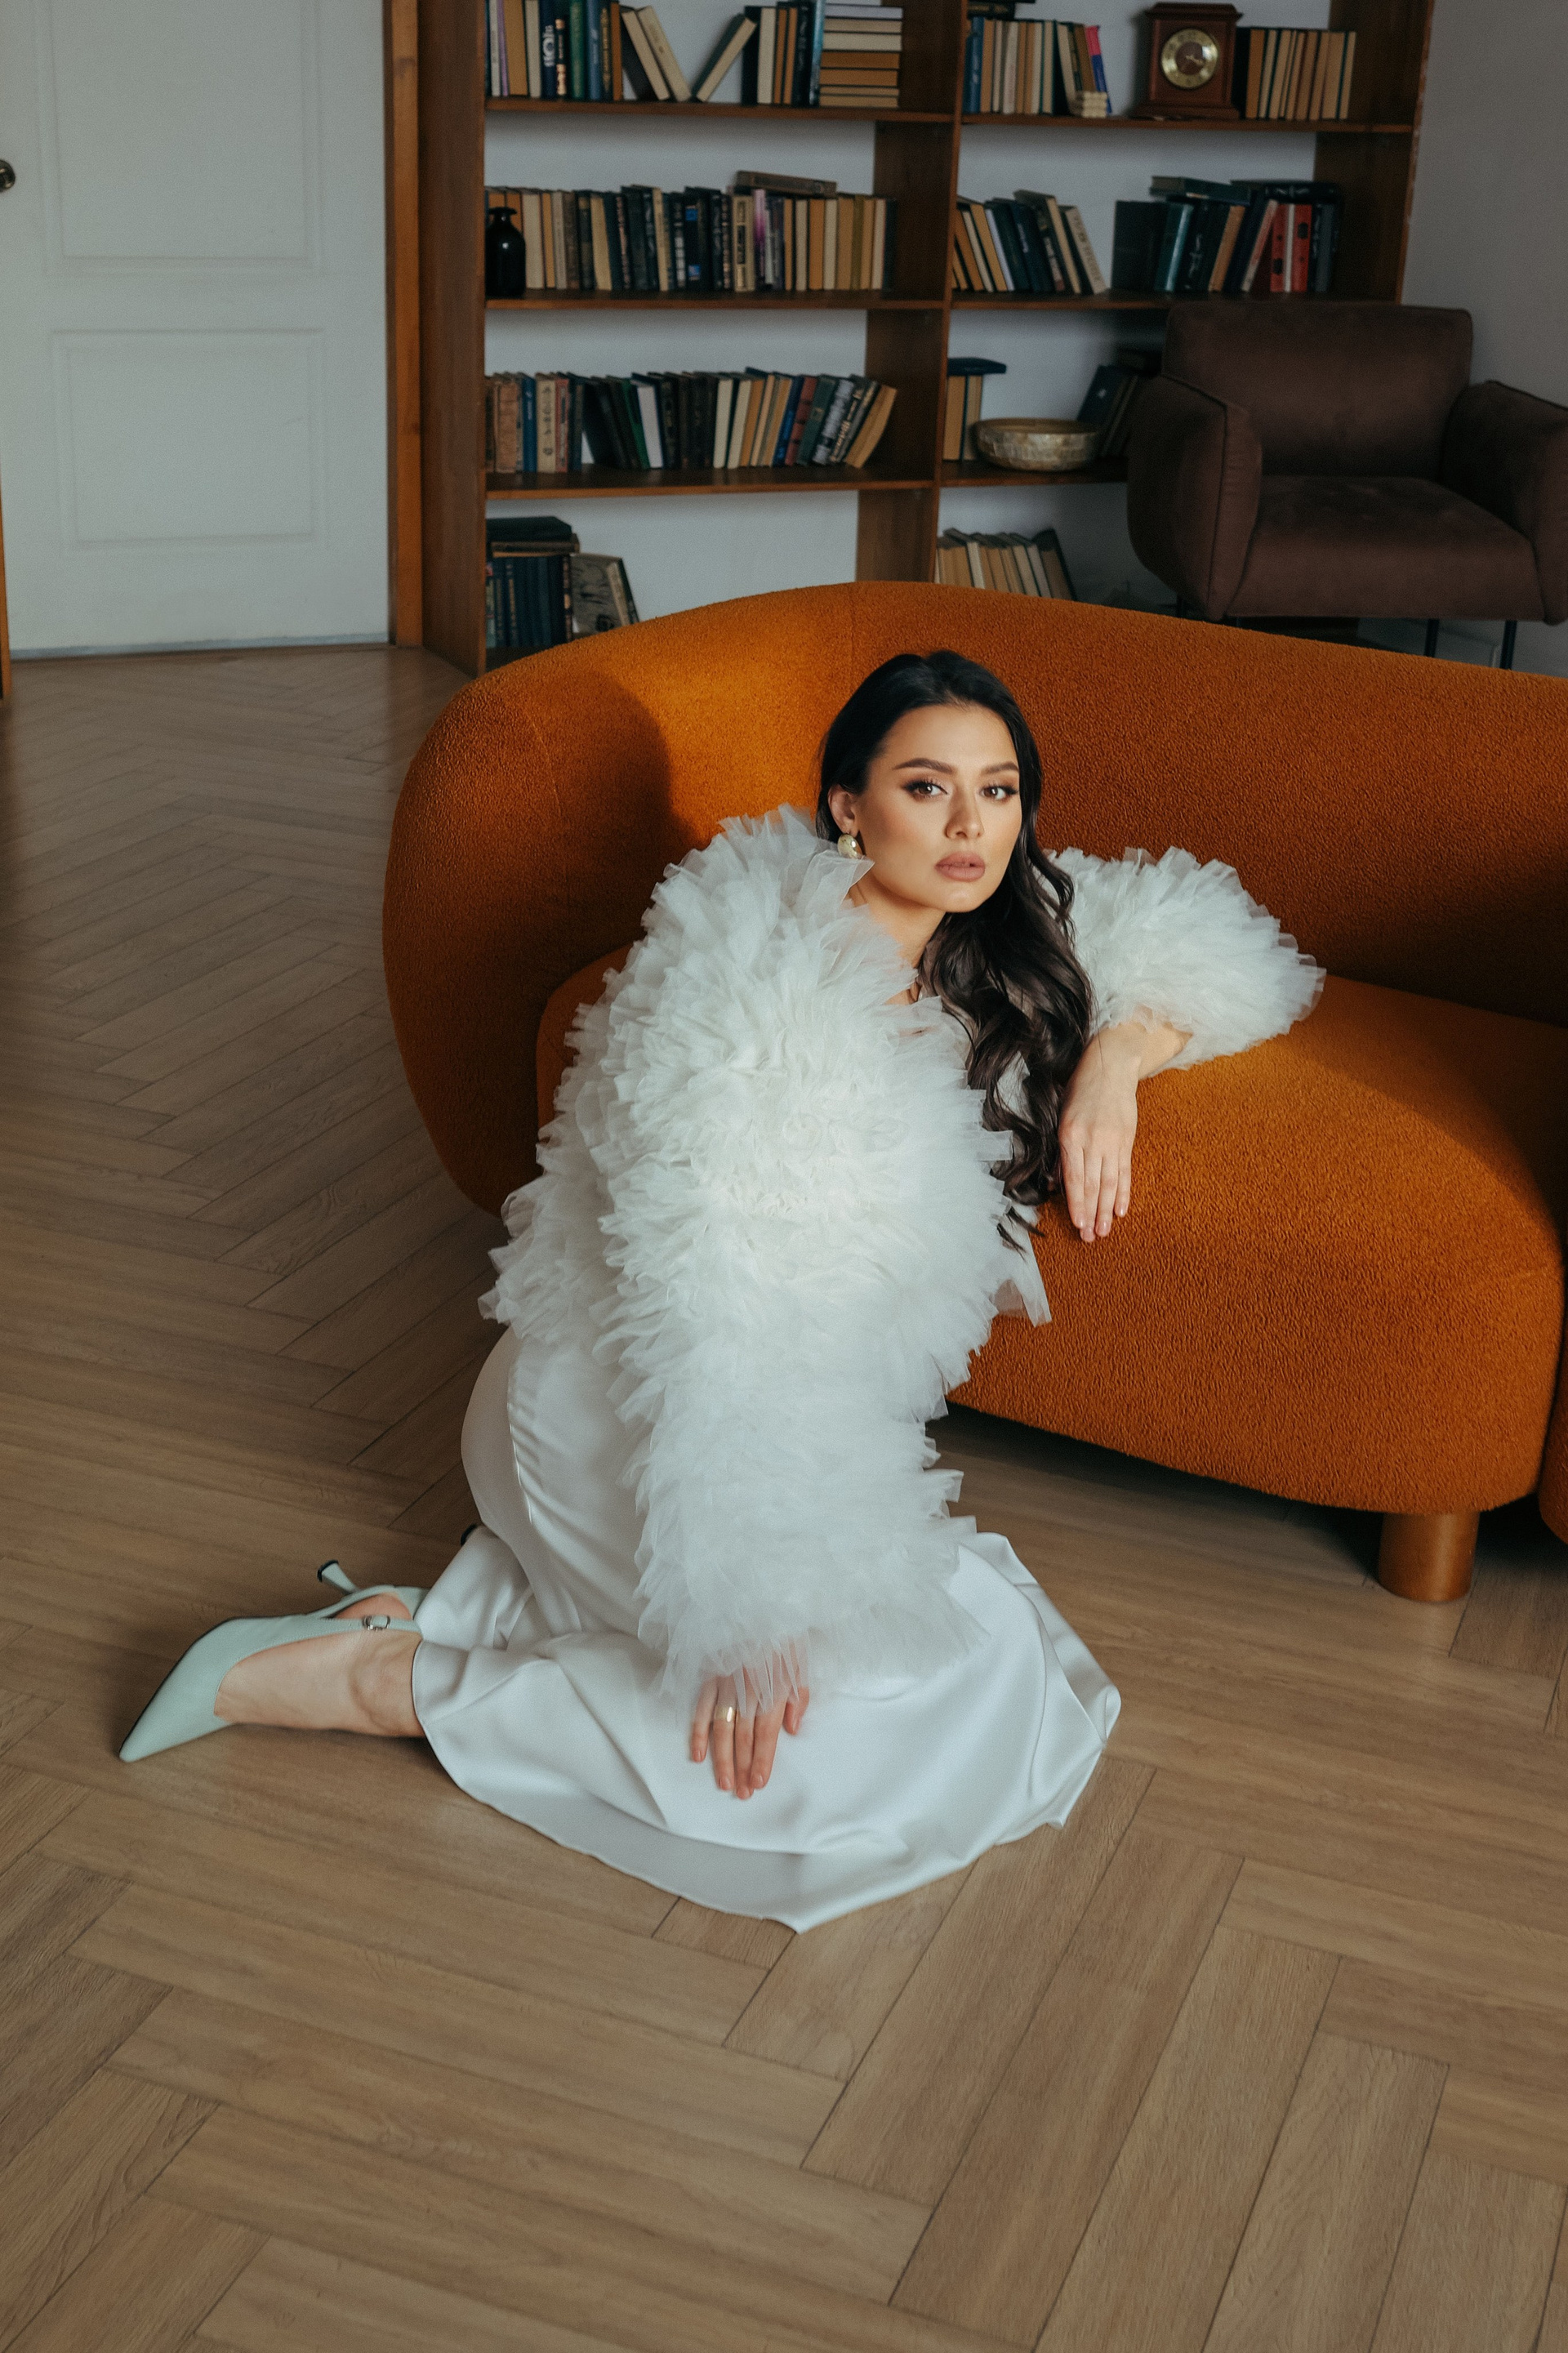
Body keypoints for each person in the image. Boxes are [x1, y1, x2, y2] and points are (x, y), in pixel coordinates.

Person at [120, 651, 1322, 1931]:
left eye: (999, 789)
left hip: (788, 1424)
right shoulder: (745, 988)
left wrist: (1116, 1059)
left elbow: (1214, 942)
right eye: (927, 787)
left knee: (972, 1658)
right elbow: (711, 1305)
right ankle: (374, 1685)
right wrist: (749, 1591)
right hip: (627, 1401)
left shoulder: (983, 936)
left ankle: (464, 1617)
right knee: (819, 1726)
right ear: (849, 804)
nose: (971, 825)